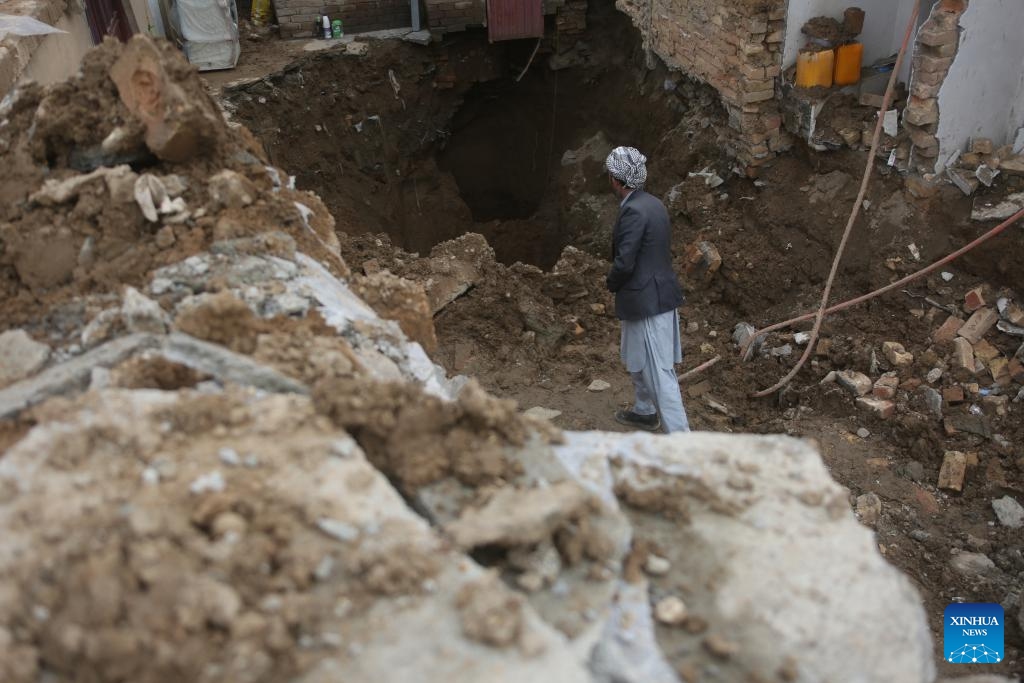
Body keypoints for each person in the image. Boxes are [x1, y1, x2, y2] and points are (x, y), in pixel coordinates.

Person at [604, 146, 690, 433]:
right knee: (637, 359)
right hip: (651, 295)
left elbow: (625, 262)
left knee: (659, 372)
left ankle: (682, 443)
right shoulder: (653, 203)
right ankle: (645, 411)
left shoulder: (634, 212)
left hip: (647, 301)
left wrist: (611, 282)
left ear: (617, 180)